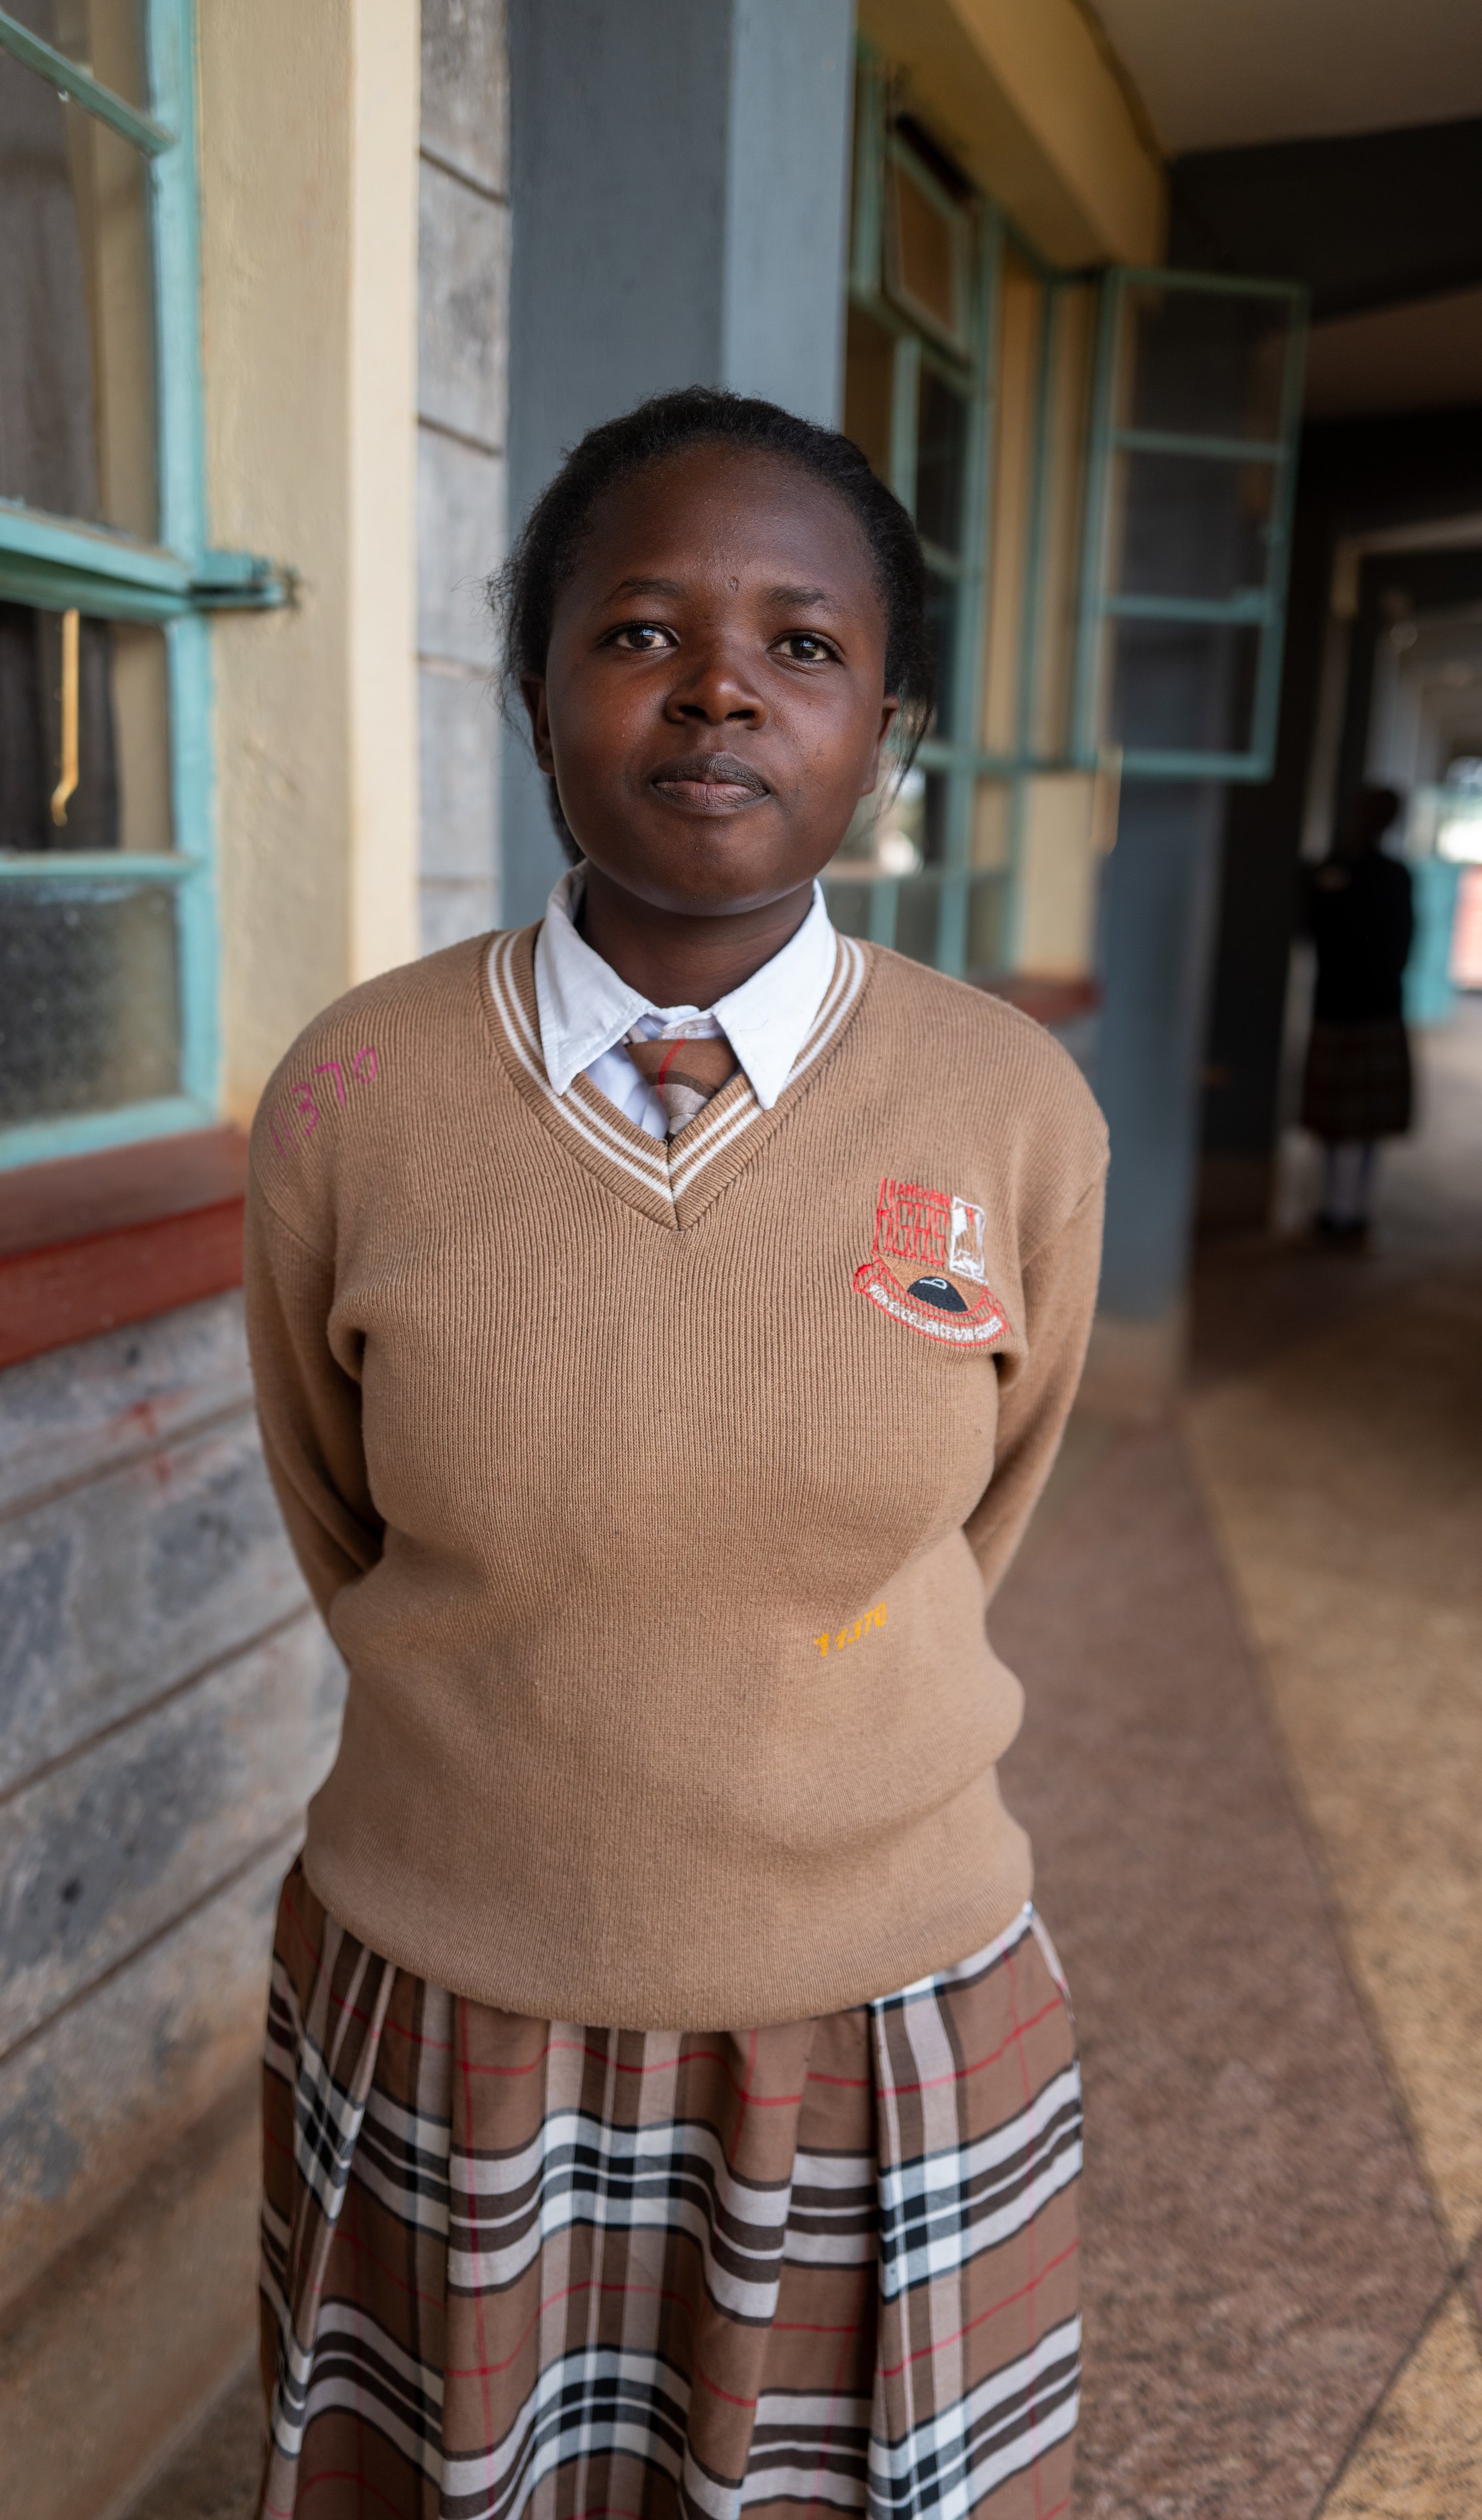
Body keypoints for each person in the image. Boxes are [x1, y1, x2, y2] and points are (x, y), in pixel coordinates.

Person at [245, 388, 1108, 2520]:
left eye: (800, 647)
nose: (720, 686)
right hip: (451, 1997)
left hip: (878, 2019)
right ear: (529, 687)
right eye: (635, 633)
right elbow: (335, 1508)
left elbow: (981, 1505)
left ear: (882, 721)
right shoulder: (356, 1091)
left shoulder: (1006, 1111)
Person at [1301, 784, 1416, 1241]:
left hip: (1373, 1007)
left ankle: (1355, 1211)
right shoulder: (1333, 868)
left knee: (1366, 1123)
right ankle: (1333, 1208)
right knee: (1334, 1123)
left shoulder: (1390, 874)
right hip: (1341, 1005)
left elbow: (1403, 940)